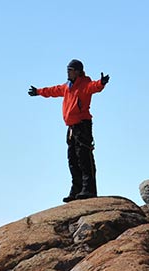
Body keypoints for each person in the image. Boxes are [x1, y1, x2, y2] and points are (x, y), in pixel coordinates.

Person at [29, 59, 110, 202]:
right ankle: (76, 190)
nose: (68, 72)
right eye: (68, 69)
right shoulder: (67, 86)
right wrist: (38, 92)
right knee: (72, 159)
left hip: (82, 125)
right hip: (71, 128)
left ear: (78, 71)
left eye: (70, 70)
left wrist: (101, 83)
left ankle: (88, 189)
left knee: (84, 157)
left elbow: (94, 87)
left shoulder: (84, 84)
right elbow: (53, 90)